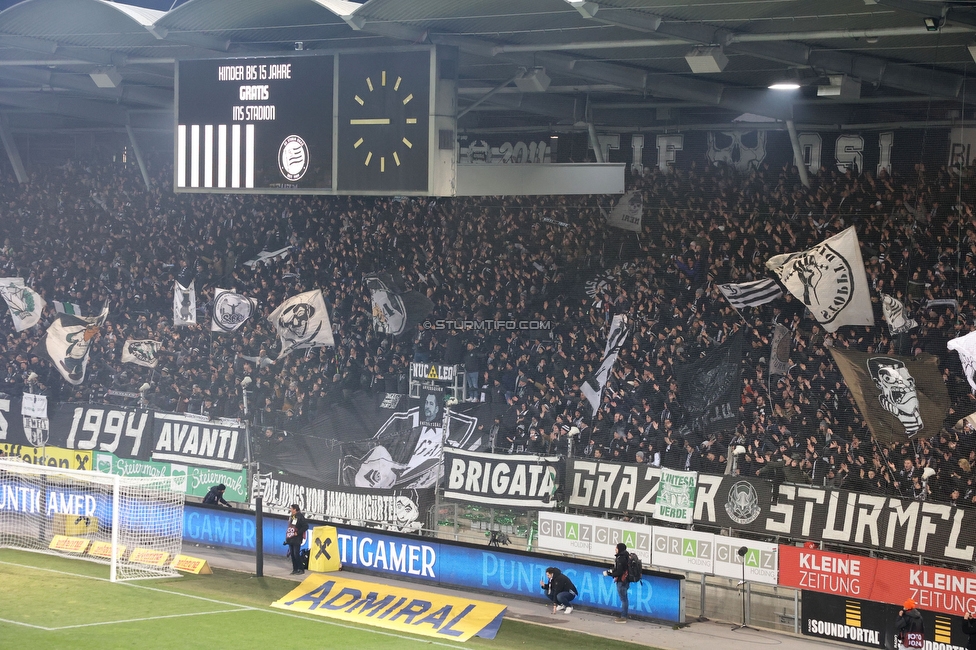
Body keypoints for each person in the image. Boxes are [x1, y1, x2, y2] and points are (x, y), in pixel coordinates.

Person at [603, 542, 630, 622]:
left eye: (616, 548)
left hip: (622, 581)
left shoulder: (621, 558)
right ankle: (624, 615)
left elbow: (619, 572)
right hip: (626, 580)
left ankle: (623, 617)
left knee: (623, 599)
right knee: (625, 599)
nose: (615, 549)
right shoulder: (626, 557)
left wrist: (609, 574)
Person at [284, 504, 309, 575]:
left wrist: (298, 533)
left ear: (295, 509)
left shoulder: (300, 516)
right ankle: (295, 569)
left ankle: (301, 569)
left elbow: (305, 526)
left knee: (296, 554)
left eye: (291, 508)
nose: (290, 510)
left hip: (297, 538)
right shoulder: (292, 517)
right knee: (292, 554)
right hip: (291, 538)